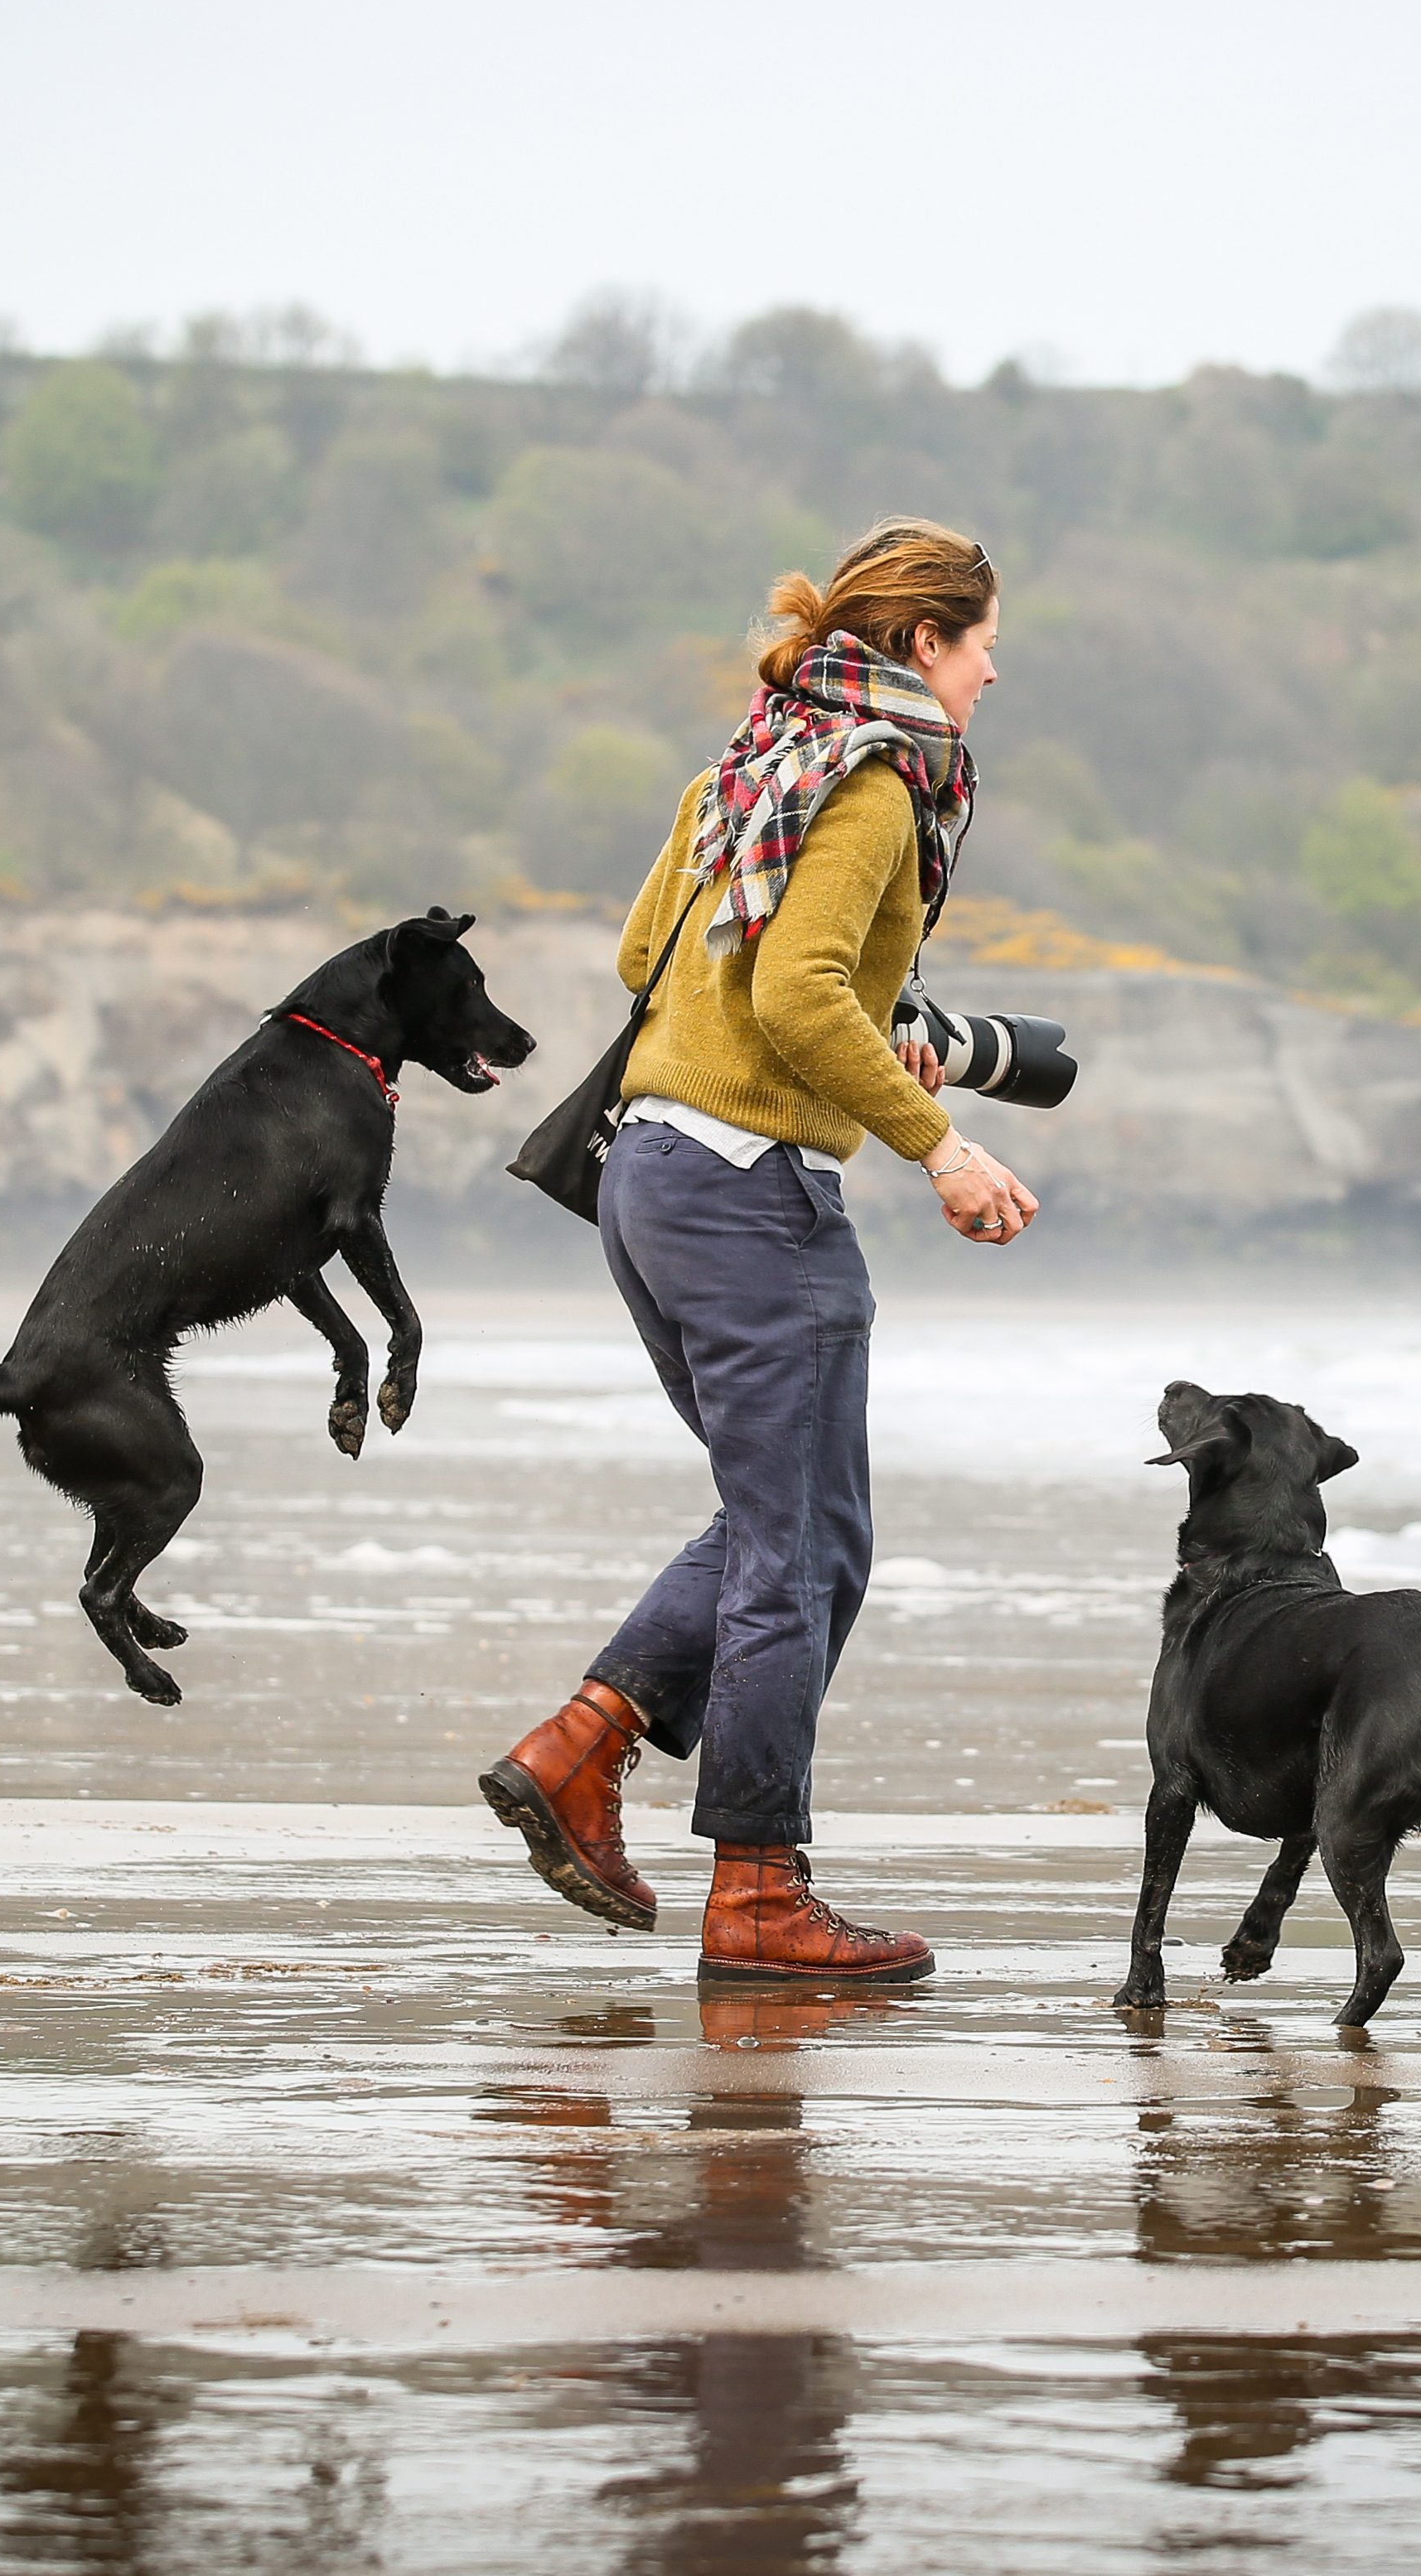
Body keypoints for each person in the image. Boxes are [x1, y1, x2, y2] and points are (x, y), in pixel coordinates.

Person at [481, 519, 1041, 1986]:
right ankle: (757, 1893)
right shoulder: (876, 780)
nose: (993, 672)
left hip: (650, 1175)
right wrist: (942, 1143)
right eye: (984, 644)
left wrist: (869, 1020)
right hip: (751, 1193)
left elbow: (647, 959)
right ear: (924, 641)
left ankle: (581, 1750)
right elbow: (795, 996)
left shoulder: (751, 757)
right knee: (798, 1550)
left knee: (789, 1522)